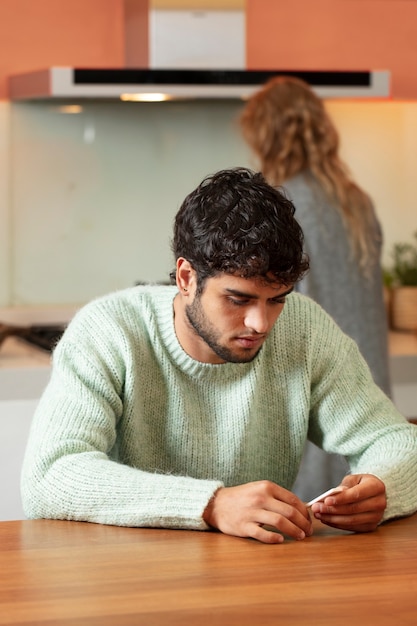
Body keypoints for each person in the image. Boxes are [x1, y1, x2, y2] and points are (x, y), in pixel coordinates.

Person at [21, 168, 417, 545]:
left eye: (276, 299)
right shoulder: (108, 330)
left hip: (257, 580)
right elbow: (50, 475)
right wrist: (210, 504)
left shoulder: (305, 329)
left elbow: (395, 441)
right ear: (186, 278)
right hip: (127, 578)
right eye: (238, 299)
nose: (261, 323)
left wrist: (384, 486)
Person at [240, 76, 391, 500]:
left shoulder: (276, 204)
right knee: (356, 510)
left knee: (299, 518)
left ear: (264, 134)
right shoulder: (354, 199)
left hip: (308, 377)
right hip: (367, 381)